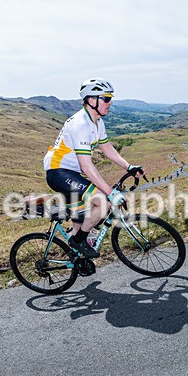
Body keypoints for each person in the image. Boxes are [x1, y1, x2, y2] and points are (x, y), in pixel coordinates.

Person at [43, 78, 145, 258]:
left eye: (110, 98)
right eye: (106, 98)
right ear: (92, 100)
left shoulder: (97, 122)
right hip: (58, 172)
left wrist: (129, 167)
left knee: (80, 216)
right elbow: (86, 165)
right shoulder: (80, 124)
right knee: (103, 202)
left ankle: (77, 260)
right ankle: (78, 241)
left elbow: (107, 149)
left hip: (70, 173)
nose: (110, 102)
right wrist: (109, 192)